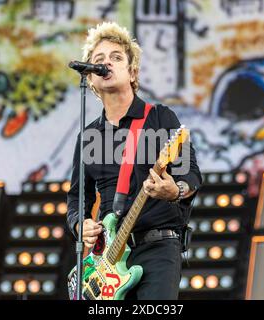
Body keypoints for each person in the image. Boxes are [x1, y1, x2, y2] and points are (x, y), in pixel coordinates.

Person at [67, 21, 202, 300]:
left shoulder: (160, 118)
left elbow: (191, 175)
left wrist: (174, 191)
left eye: (116, 58)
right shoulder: (89, 136)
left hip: (158, 247)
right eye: (99, 60)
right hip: (106, 259)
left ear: (132, 73)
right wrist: (82, 225)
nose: (107, 63)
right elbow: (76, 199)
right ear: (91, 78)